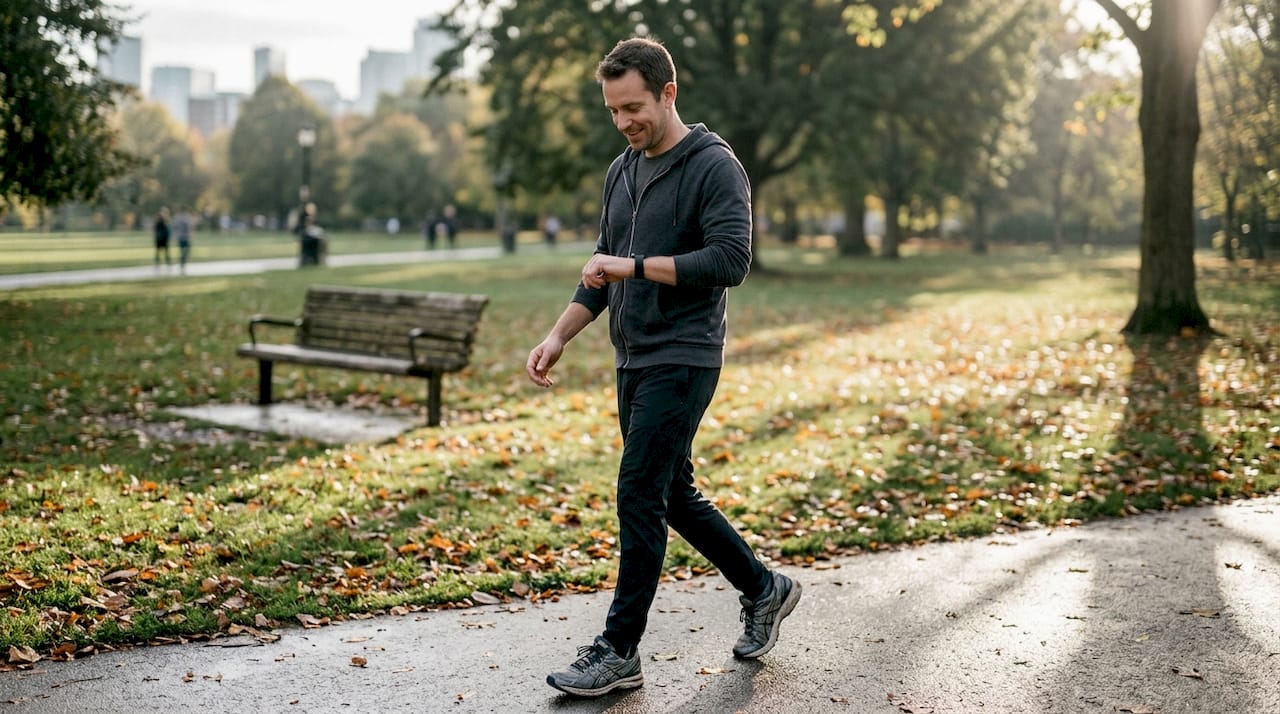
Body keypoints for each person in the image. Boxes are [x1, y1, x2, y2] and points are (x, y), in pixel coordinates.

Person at [526, 37, 801, 699]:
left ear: (668, 92)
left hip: (685, 355)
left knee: (639, 492)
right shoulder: (621, 172)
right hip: (635, 355)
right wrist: (559, 334)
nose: (625, 122)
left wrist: (637, 268)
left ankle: (619, 651)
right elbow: (601, 266)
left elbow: (730, 260)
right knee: (671, 493)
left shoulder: (714, 165)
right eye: (614, 110)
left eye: (635, 107)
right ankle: (765, 588)